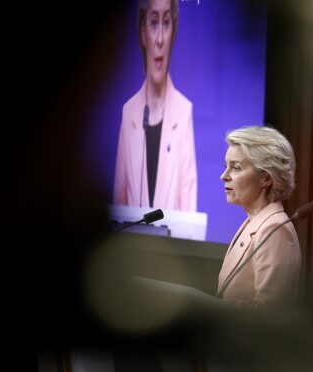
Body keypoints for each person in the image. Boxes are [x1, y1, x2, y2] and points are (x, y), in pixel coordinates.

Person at [113, 0, 197, 212]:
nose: (159, 39)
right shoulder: (129, 112)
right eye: (153, 22)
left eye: (166, 23)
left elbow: (188, 211)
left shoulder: (183, 111)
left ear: (173, 34)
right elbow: (117, 207)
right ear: (143, 33)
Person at [217, 125, 301, 307]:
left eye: (236, 168)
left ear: (266, 178)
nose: (224, 176)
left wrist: (212, 308)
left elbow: (269, 315)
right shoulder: (254, 223)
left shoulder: (275, 230)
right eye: (226, 166)